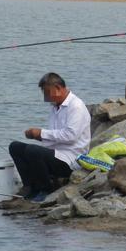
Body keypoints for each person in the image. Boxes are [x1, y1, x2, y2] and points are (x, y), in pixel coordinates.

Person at [9, 72, 91, 203]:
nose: (45, 97)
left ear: (58, 88)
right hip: (56, 154)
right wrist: (37, 136)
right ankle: (30, 187)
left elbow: (71, 136)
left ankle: (46, 189)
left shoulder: (76, 106)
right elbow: (55, 134)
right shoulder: (55, 107)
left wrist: (41, 133)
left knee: (33, 151)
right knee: (15, 147)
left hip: (71, 159)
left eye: (47, 92)